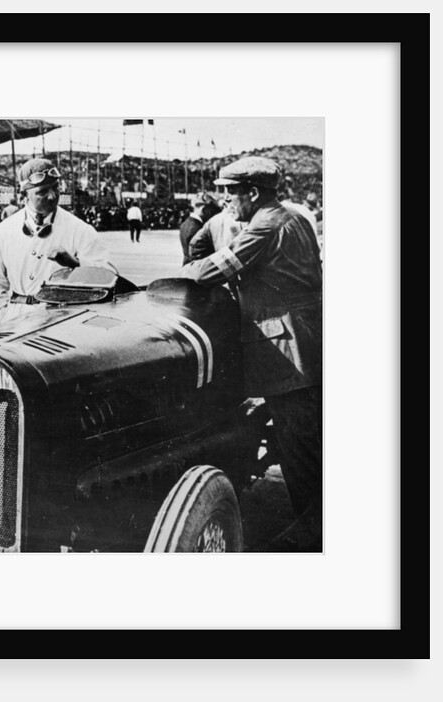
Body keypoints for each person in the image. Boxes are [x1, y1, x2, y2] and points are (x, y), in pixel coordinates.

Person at [180, 156, 323, 551]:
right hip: (306, 343)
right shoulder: (292, 217)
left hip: (287, 351)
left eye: (231, 192)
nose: (225, 200)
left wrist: (180, 275)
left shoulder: (266, 225)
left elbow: (211, 271)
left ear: (253, 193)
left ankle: (313, 532)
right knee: (305, 441)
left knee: (299, 448)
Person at [0, 158, 113, 327]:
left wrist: (75, 264)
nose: (52, 196)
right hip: (14, 321)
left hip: (62, 321)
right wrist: (2, 316)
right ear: (24, 195)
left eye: (56, 188)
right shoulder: (4, 231)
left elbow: (106, 277)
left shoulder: (80, 230)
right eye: (42, 192)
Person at [179, 191, 219, 264]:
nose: (211, 214)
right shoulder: (197, 228)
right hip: (195, 267)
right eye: (210, 210)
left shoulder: (185, 224)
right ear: (204, 209)